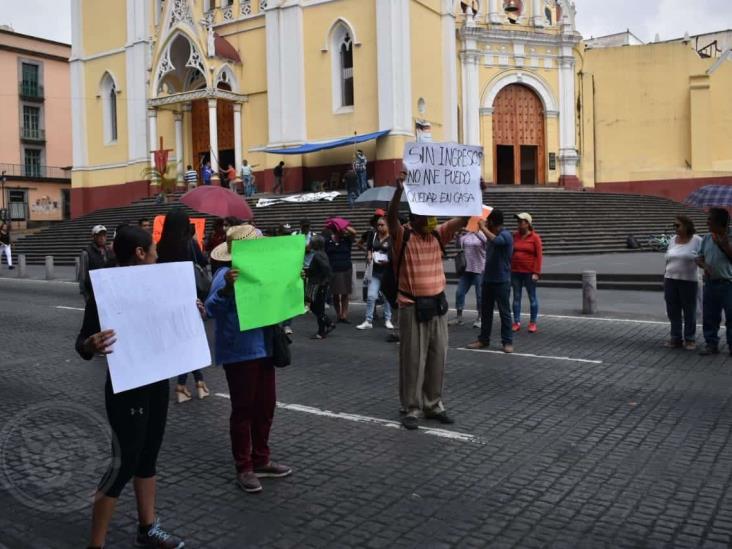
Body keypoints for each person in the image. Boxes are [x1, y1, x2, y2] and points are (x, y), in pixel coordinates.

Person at [76, 225, 185, 549]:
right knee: (122, 465)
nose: (156, 255)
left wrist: (189, 313)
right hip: (127, 388)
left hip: (157, 381)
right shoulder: (107, 288)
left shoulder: (157, 285)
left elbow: (169, 323)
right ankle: (95, 544)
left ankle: (147, 528)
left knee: (148, 456)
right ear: (139, 253)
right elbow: (82, 342)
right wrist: (91, 345)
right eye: (153, 250)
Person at [207, 224, 292, 493]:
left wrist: (294, 280)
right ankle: (244, 466)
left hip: (264, 347)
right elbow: (210, 309)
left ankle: (261, 459)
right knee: (244, 409)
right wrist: (227, 290)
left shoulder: (261, 272)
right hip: (240, 352)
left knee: (266, 406)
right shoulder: (224, 275)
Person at [388, 172, 467, 430]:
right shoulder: (403, 236)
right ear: (414, 216)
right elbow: (390, 219)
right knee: (413, 359)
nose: (432, 219)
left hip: (437, 306)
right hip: (412, 306)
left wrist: (474, 194)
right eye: (426, 215)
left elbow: (462, 220)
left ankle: (433, 404)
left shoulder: (436, 235)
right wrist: (398, 191)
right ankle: (411, 407)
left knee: (437, 357)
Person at [157, 208, 211, 403]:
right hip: (190, 299)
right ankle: (187, 385)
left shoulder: (159, 247)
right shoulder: (189, 244)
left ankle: (196, 382)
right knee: (190, 341)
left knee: (184, 342)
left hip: (168, 301)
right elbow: (203, 261)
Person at [468, 209, 514, 354]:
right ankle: (483, 339)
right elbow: (489, 239)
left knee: (504, 312)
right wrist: (475, 231)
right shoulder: (492, 235)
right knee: (486, 312)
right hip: (488, 280)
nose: (486, 223)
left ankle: (507, 342)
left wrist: (482, 228)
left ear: (493, 222)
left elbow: (496, 240)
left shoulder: (506, 235)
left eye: (488, 221)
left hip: (502, 281)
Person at [696, 207, 732, 356]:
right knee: (710, 317)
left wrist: (724, 245)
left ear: (720, 222)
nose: (707, 222)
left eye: (710, 219)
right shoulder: (706, 238)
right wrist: (704, 266)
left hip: (729, 284)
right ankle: (711, 344)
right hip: (710, 284)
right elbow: (699, 257)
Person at [663, 215, 702, 350]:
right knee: (673, 310)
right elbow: (668, 257)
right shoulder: (673, 239)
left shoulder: (697, 240)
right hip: (670, 279)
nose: (675, 228)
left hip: (688, 281)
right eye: (674, 225)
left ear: (687, 226)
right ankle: (676, 337)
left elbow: (703, 258)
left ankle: (690, 339)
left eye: (678, 225)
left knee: (689, 310)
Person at [357, 217, 394, 330]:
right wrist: (369, 254)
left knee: (388, 298)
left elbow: (396, 253)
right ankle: (368, 320)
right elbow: (369, 247)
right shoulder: (373, 235)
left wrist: (388, 260)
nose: (379, 227)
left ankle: (388, 319)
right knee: (371, 296)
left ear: (388, 226)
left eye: (382, 225)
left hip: (387, 272)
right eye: (378, 225)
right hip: (375, 271)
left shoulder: (392, 237)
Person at [511, 212, 543, 333]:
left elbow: (539, 256)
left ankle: (533, 322)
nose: (518, 224)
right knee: (516, 297)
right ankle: (516, 322)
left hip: (529, 272)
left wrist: (536, 272)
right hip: (515, 271)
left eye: (521, 221)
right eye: (518, 222)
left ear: (528, 223)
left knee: (532, 297)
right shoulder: (515, 236)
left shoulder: (535, 238)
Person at [450, 227, 487, 328]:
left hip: (479, 269)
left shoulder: (482, 234)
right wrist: (458, 234)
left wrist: (476, 232)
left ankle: (480, 317)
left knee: (479, 295)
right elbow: (458, 245)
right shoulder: (466, 235)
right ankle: (459, 317)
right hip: (467, 269)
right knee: (459, 292)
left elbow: (486, 242)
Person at [325, 223, 358, 323]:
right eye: (340, 230)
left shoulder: (347, 240)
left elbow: (354, 232)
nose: (343, 232)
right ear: (335, 231)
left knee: (345, 293)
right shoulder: (328, 241)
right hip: (334, 270)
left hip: (346, 269)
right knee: (335, 293)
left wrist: (343, 226)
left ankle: (344, 315)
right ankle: (338, 314)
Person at [306, 235, 335, 339]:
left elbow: (327, 270)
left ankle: (323, 330)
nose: (310, 244)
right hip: (318, 284)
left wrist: (324, 282)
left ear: (316, 244)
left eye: (311, 242)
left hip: (319, 285)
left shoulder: (318, 255)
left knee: (317, 307)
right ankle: (326, 326)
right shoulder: (321, 254)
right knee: (316, 307)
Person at [79, 225, 115, 301]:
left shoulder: (108, 251)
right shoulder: (86, 252)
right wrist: (85, 294)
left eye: (104, 235)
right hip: (92, 291)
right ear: (93, 236)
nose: (102, 238)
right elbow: (82, 276)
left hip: (107, 289)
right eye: (99, 235)